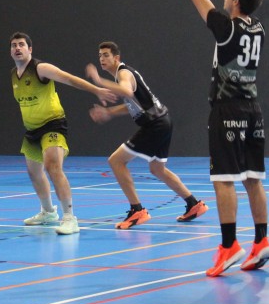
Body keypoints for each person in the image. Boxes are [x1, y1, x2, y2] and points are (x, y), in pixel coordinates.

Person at [170, 0, 269, 276]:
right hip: (253, 110)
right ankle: (261, 241)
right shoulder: (256, 27)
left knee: (223, 180)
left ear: (235, 2)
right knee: (253, 179)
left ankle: (229, 245)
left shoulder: (225, 27)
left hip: (227, 108)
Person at [85, 41, 208, 229]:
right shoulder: (123, 75)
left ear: (116, 58)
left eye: (106, 55)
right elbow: (132, 104)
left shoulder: (123, 73)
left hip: (155, 124)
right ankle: (194, 204)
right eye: (100, 55)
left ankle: (137, 210)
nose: (101, 58)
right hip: (163, 121)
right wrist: (109, 112)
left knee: (116, 161)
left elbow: (126, 91)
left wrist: (100, 81)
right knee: (157, 169)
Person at [9, 32, 115, 235]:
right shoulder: (14, 74)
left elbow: (69, 79)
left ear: (30, 49)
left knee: (52, 166)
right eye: (14, 45)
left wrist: (96, 90)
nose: (17, 48)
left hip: (52, 124)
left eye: (21, 44)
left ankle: (70, 218)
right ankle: (48, 212)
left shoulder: (41, 68)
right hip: (32, 129)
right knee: (34, 173)